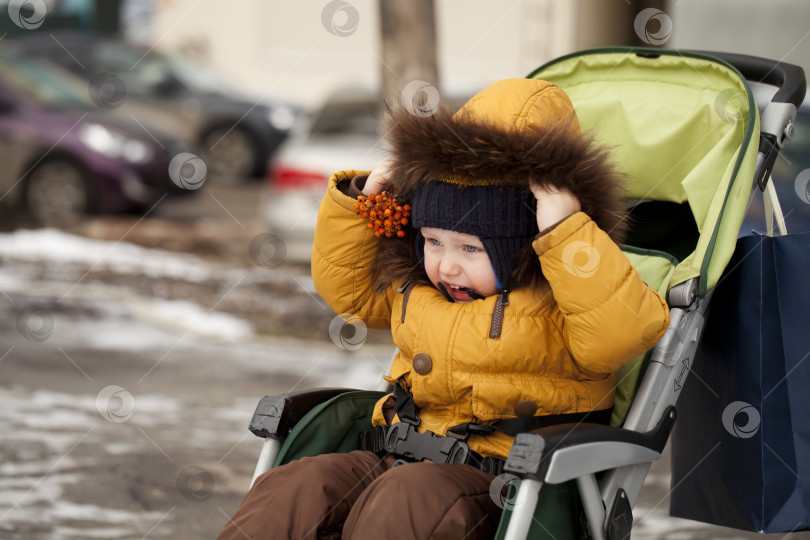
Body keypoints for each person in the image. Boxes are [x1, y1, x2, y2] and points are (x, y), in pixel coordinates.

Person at [218, 79, 670, 540]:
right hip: (392, 453)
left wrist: (567, 231)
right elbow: (348, 292)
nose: (446, 265)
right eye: (433, 241)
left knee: (408, 497)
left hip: (504, 487)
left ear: (526, 248)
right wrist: (362, 199)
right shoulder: (417, 289)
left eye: (470, 249)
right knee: (298, 486)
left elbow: (622, 334)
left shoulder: (565, 303)